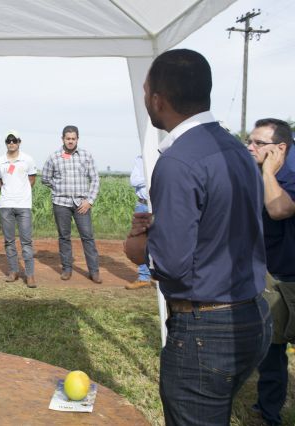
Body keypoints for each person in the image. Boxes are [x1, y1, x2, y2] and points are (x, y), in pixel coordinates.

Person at [123, 49, 271, 425]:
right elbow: (227, 223)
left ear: (158, 100)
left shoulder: (177, 161)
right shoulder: (237, 150)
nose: (145, 99)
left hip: (206, 329)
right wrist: (168, 226)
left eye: (146, 92)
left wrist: (141, 246)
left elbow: (172, 264)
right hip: (253, 316)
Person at [247, 118, 295, 426]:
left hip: (290, 275)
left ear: (280, 148)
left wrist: (268, 173)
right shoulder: (258, 171)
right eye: (249, 141)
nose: (250, 147)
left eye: (258, 143)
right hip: (273, 273)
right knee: (273, 346)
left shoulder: (288, 174)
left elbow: (279, 209)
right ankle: (268, 412)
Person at [41, 125, 102, 284]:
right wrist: (58, 187)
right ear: (62, 139)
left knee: (87, 237)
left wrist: (89, 201)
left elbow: (95, 179)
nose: (70, 141)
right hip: (61, 203)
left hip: (82, 204)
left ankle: (94, 271)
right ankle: (67, 269)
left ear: (77, 139)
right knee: (64, 237)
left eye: (73, 139)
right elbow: (45, 178)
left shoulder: (86, 156)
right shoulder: (54, 157)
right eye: (68, 138)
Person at [0, 130, 37, 288]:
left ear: (19, 142)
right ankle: (13, 271)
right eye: (8, 140)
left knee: (26, 241)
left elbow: (32, 179)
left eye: (14, 140)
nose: (11, 143)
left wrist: (20, 193)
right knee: (9, 241)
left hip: (24, 205)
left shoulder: (27, 160)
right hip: (6, 205)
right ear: (6, 142)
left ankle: (30, 275)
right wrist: (9, 194)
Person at [124, 155, 152, 290]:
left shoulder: (167, 157)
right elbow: (134, 181)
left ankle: (166, 277)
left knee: (166, 241)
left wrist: (145, 179)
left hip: (162, 204)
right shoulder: (141, 159)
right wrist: (150, 178)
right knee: (140, 242)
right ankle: (144, 278)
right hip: (143, 204)